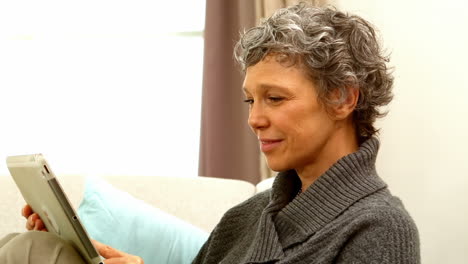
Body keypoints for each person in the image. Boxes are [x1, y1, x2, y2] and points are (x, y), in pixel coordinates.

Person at [1, 3, 420, 264]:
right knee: (27, 249)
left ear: (343, 99)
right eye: (250, 101)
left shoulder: (379, 228)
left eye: (274, 98)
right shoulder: (246, 218)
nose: (254, 119)